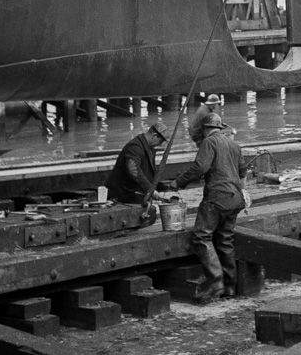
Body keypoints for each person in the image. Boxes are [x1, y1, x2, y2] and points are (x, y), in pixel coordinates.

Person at [159, 112, 252, 301]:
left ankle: (216, 282)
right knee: (225, 239)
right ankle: (230, 287)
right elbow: (243, 171)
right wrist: (243, 191)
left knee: (201, 236)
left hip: (217, 196)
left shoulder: (209, 143)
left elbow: (200, 168)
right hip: (235, 198)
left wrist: (177, 183)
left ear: (204, 129)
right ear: (220, 127)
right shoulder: (234, 145)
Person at [104, 120, 169, 206]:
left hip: (131, 191)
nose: (160, 145)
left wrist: (162, 187)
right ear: (154, 136)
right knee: (149, 207)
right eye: (160, 141)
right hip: (120, 193)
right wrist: (150, 190)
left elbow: (149, 173)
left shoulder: (150, 148)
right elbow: (134, 171)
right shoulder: (135, 147)